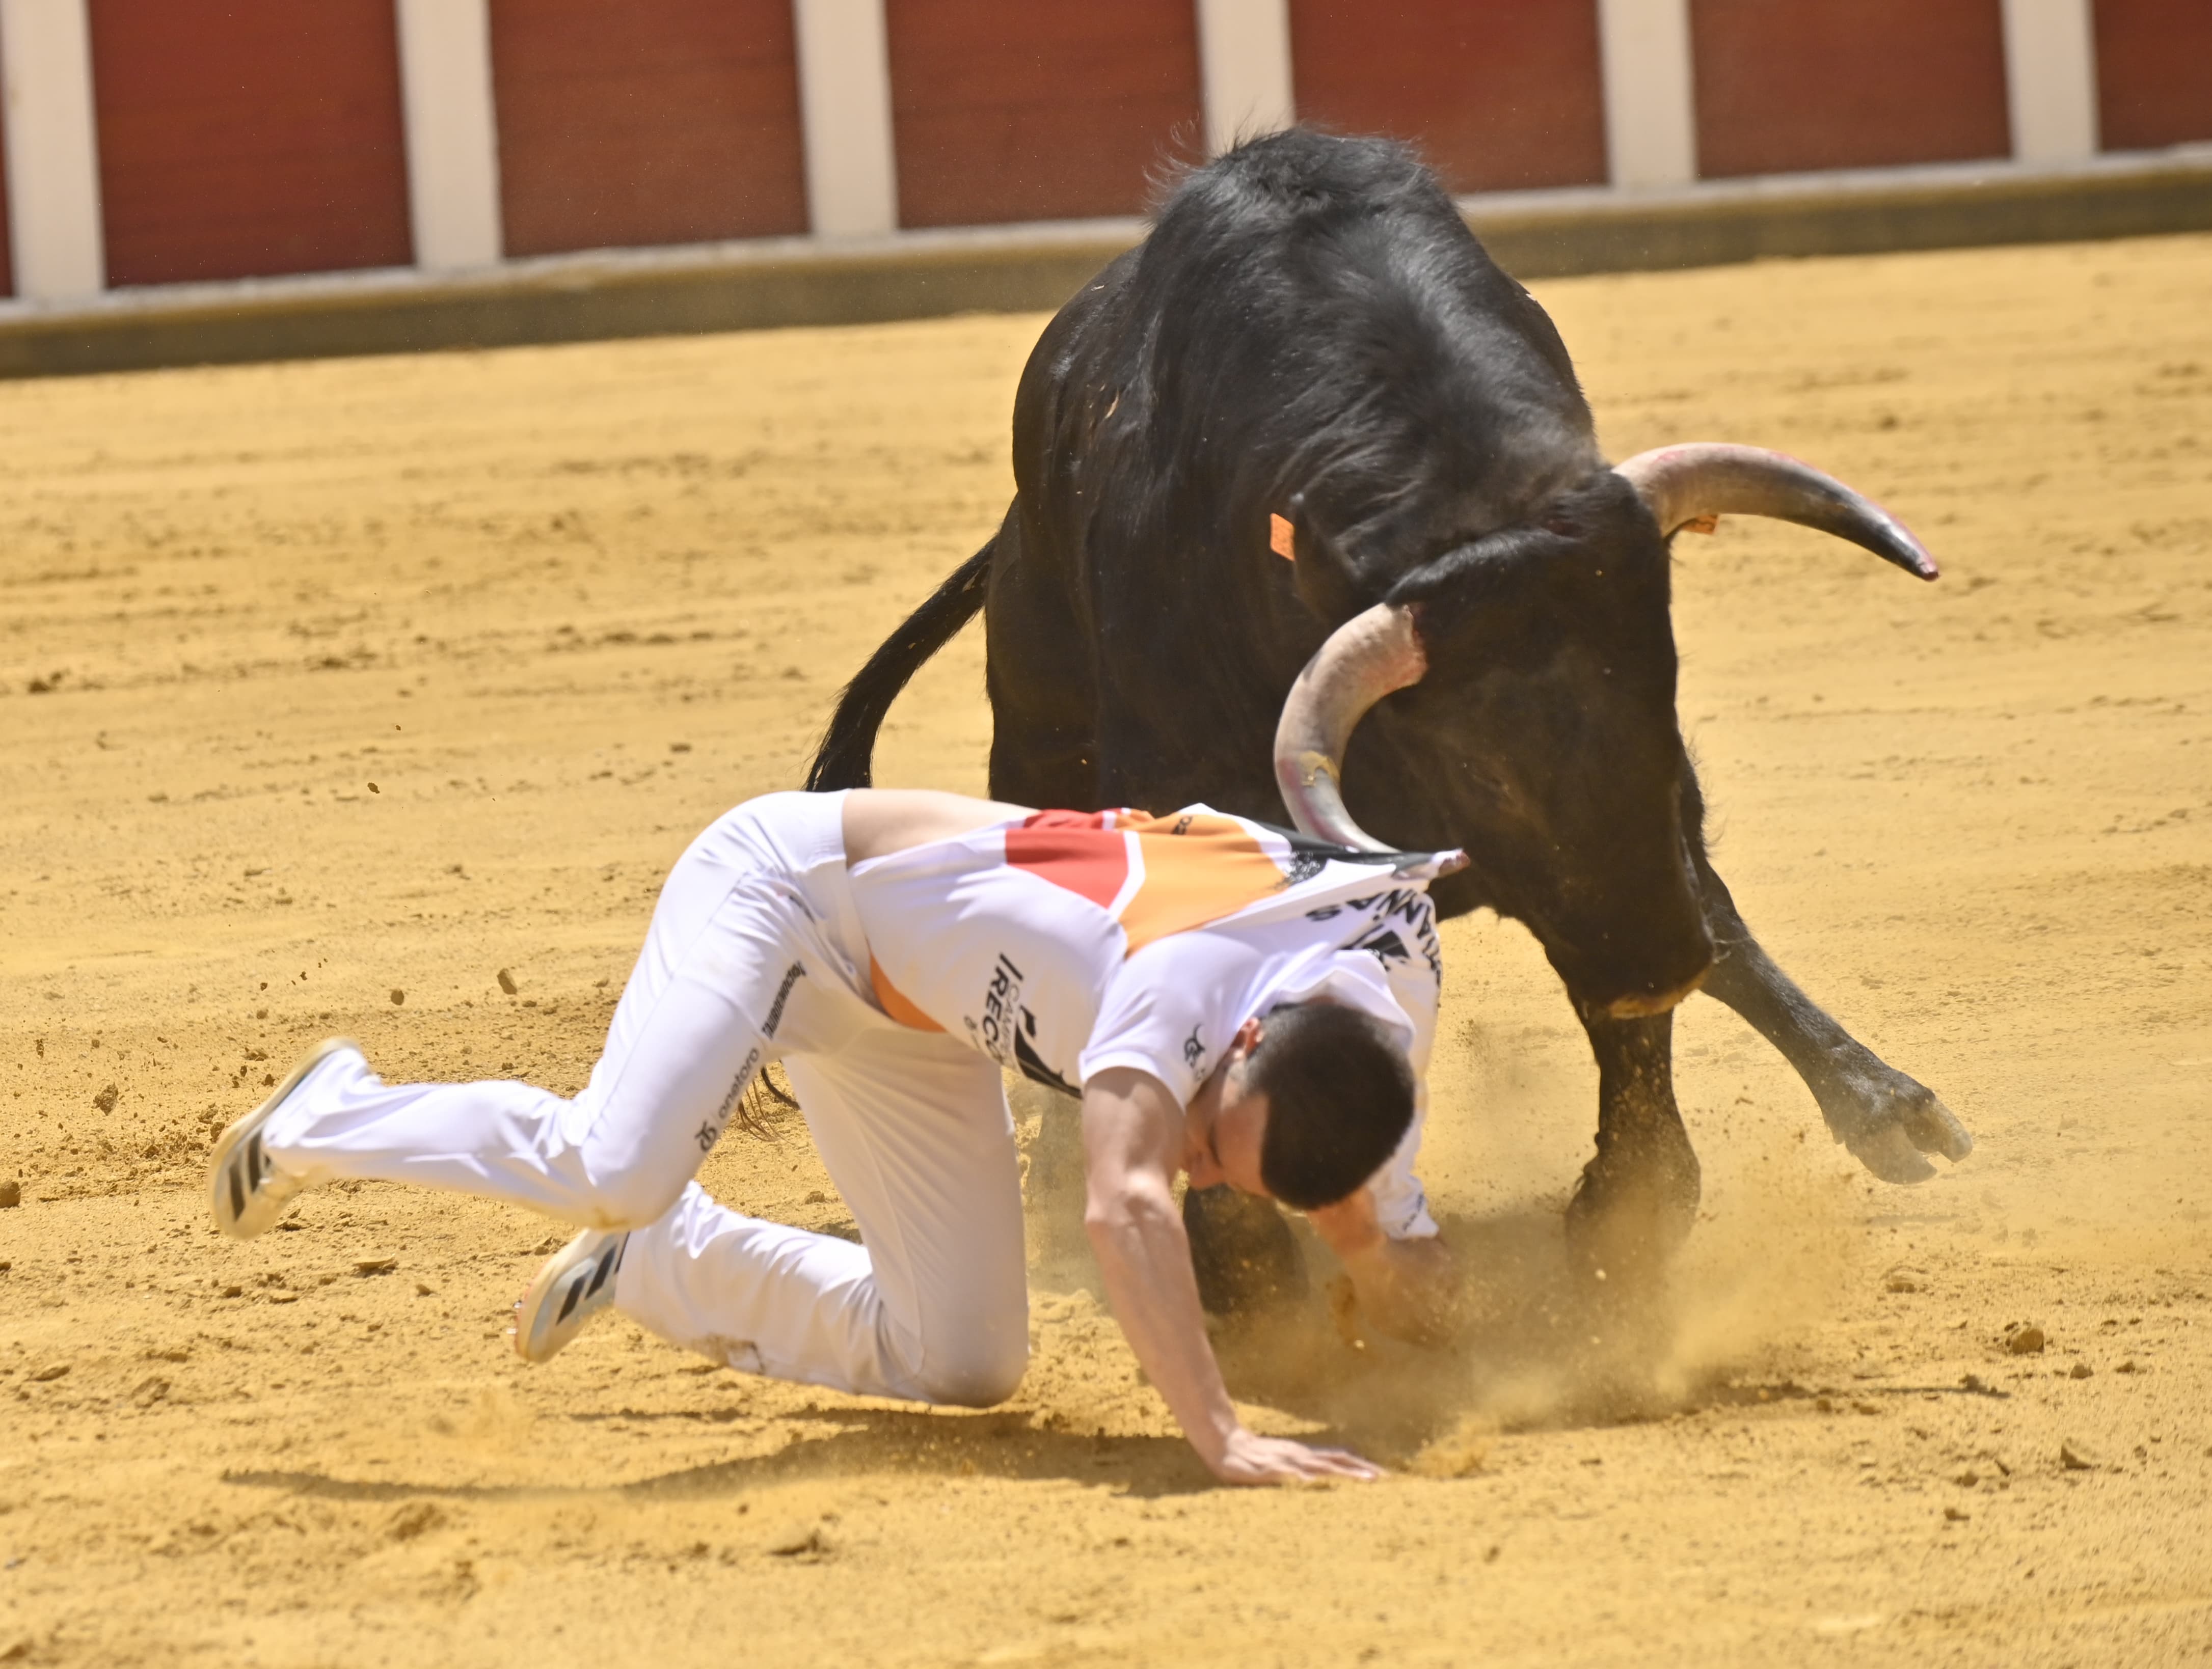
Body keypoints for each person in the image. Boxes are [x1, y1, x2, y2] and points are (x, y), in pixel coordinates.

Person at [209, 789, 1462, 1484]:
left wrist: (1385, 1264)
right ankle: (327, 1113)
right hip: (786, 902)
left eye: (1221, 1174)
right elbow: (1122, 1201)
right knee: (617, 1164)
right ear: (1245, 1041)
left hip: (909, 1023)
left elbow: (1330, 1171)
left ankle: (660, 1264)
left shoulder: (1351, 1024)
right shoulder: (1184, 988)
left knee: (963, 1360)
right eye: (1207, 1140)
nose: (1192, 1164)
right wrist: (1221, 1434)